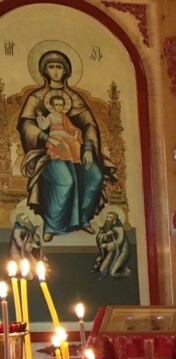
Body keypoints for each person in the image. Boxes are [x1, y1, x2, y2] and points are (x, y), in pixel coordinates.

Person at [17, 49, 107, 242]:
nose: (56, 71)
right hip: (48, 152)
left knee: (95, 176)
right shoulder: (36, 97)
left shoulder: (74, 98)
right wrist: (46, 138)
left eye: (59, 67)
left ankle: (83, 219)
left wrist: (88, 148)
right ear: (44, 70)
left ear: (66, 71)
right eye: (51, 67)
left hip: (76, 149)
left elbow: (89, 124)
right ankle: (52, 226)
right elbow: (26, 124)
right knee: (65, 181)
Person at [38, 93, 83, 164]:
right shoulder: (50, 116)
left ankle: (76, 161)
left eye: (61, 105)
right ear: (52, 106)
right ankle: (67, 160)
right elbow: (44, 126)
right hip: (55, 135)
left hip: (64, 134)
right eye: (57, 105)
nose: (59, 107)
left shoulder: (64, 116)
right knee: (64, 145)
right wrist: (40, 119)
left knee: (76, 144)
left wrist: (75, 131)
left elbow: (70, 126)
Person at [92, 211, 131, 279]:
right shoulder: (107, 225)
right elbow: (99, 236)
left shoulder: (119, 228)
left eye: (110, 217)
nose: (108, 219)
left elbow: (119, 241)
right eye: (107, 217)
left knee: (112, 273)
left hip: (122, 251)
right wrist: (103, 236)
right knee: (101, 270)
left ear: (114, 219)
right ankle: (120, 266)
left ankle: (126, 272)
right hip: (112, 251)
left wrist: (107, 244)